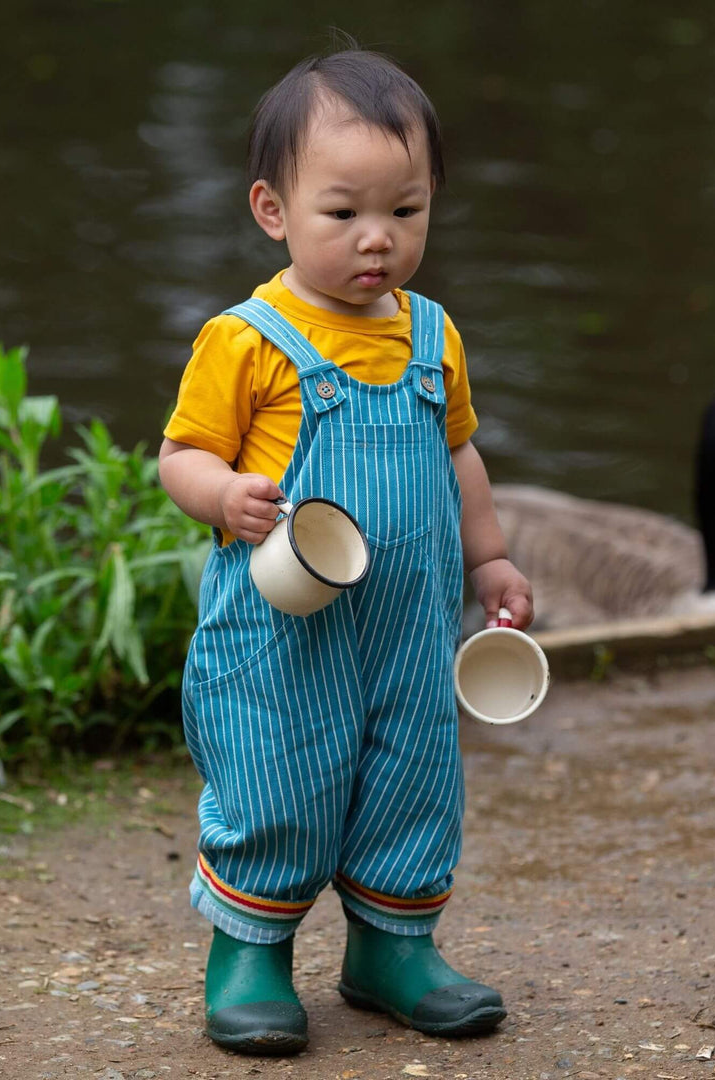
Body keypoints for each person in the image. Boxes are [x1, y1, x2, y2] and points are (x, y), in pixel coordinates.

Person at [158, 44, 533, 1056]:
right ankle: (250, 953)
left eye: (405, 212)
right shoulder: (247, 339)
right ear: (273, 210)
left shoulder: (431, 336)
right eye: (344, 214)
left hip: (407, 622)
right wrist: (223, 494)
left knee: (413, 773)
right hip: (285, 627)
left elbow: (458, 452)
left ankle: (390, 947)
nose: (378, 239)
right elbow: (180, 453)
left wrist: (490, 558)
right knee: (277, 774)